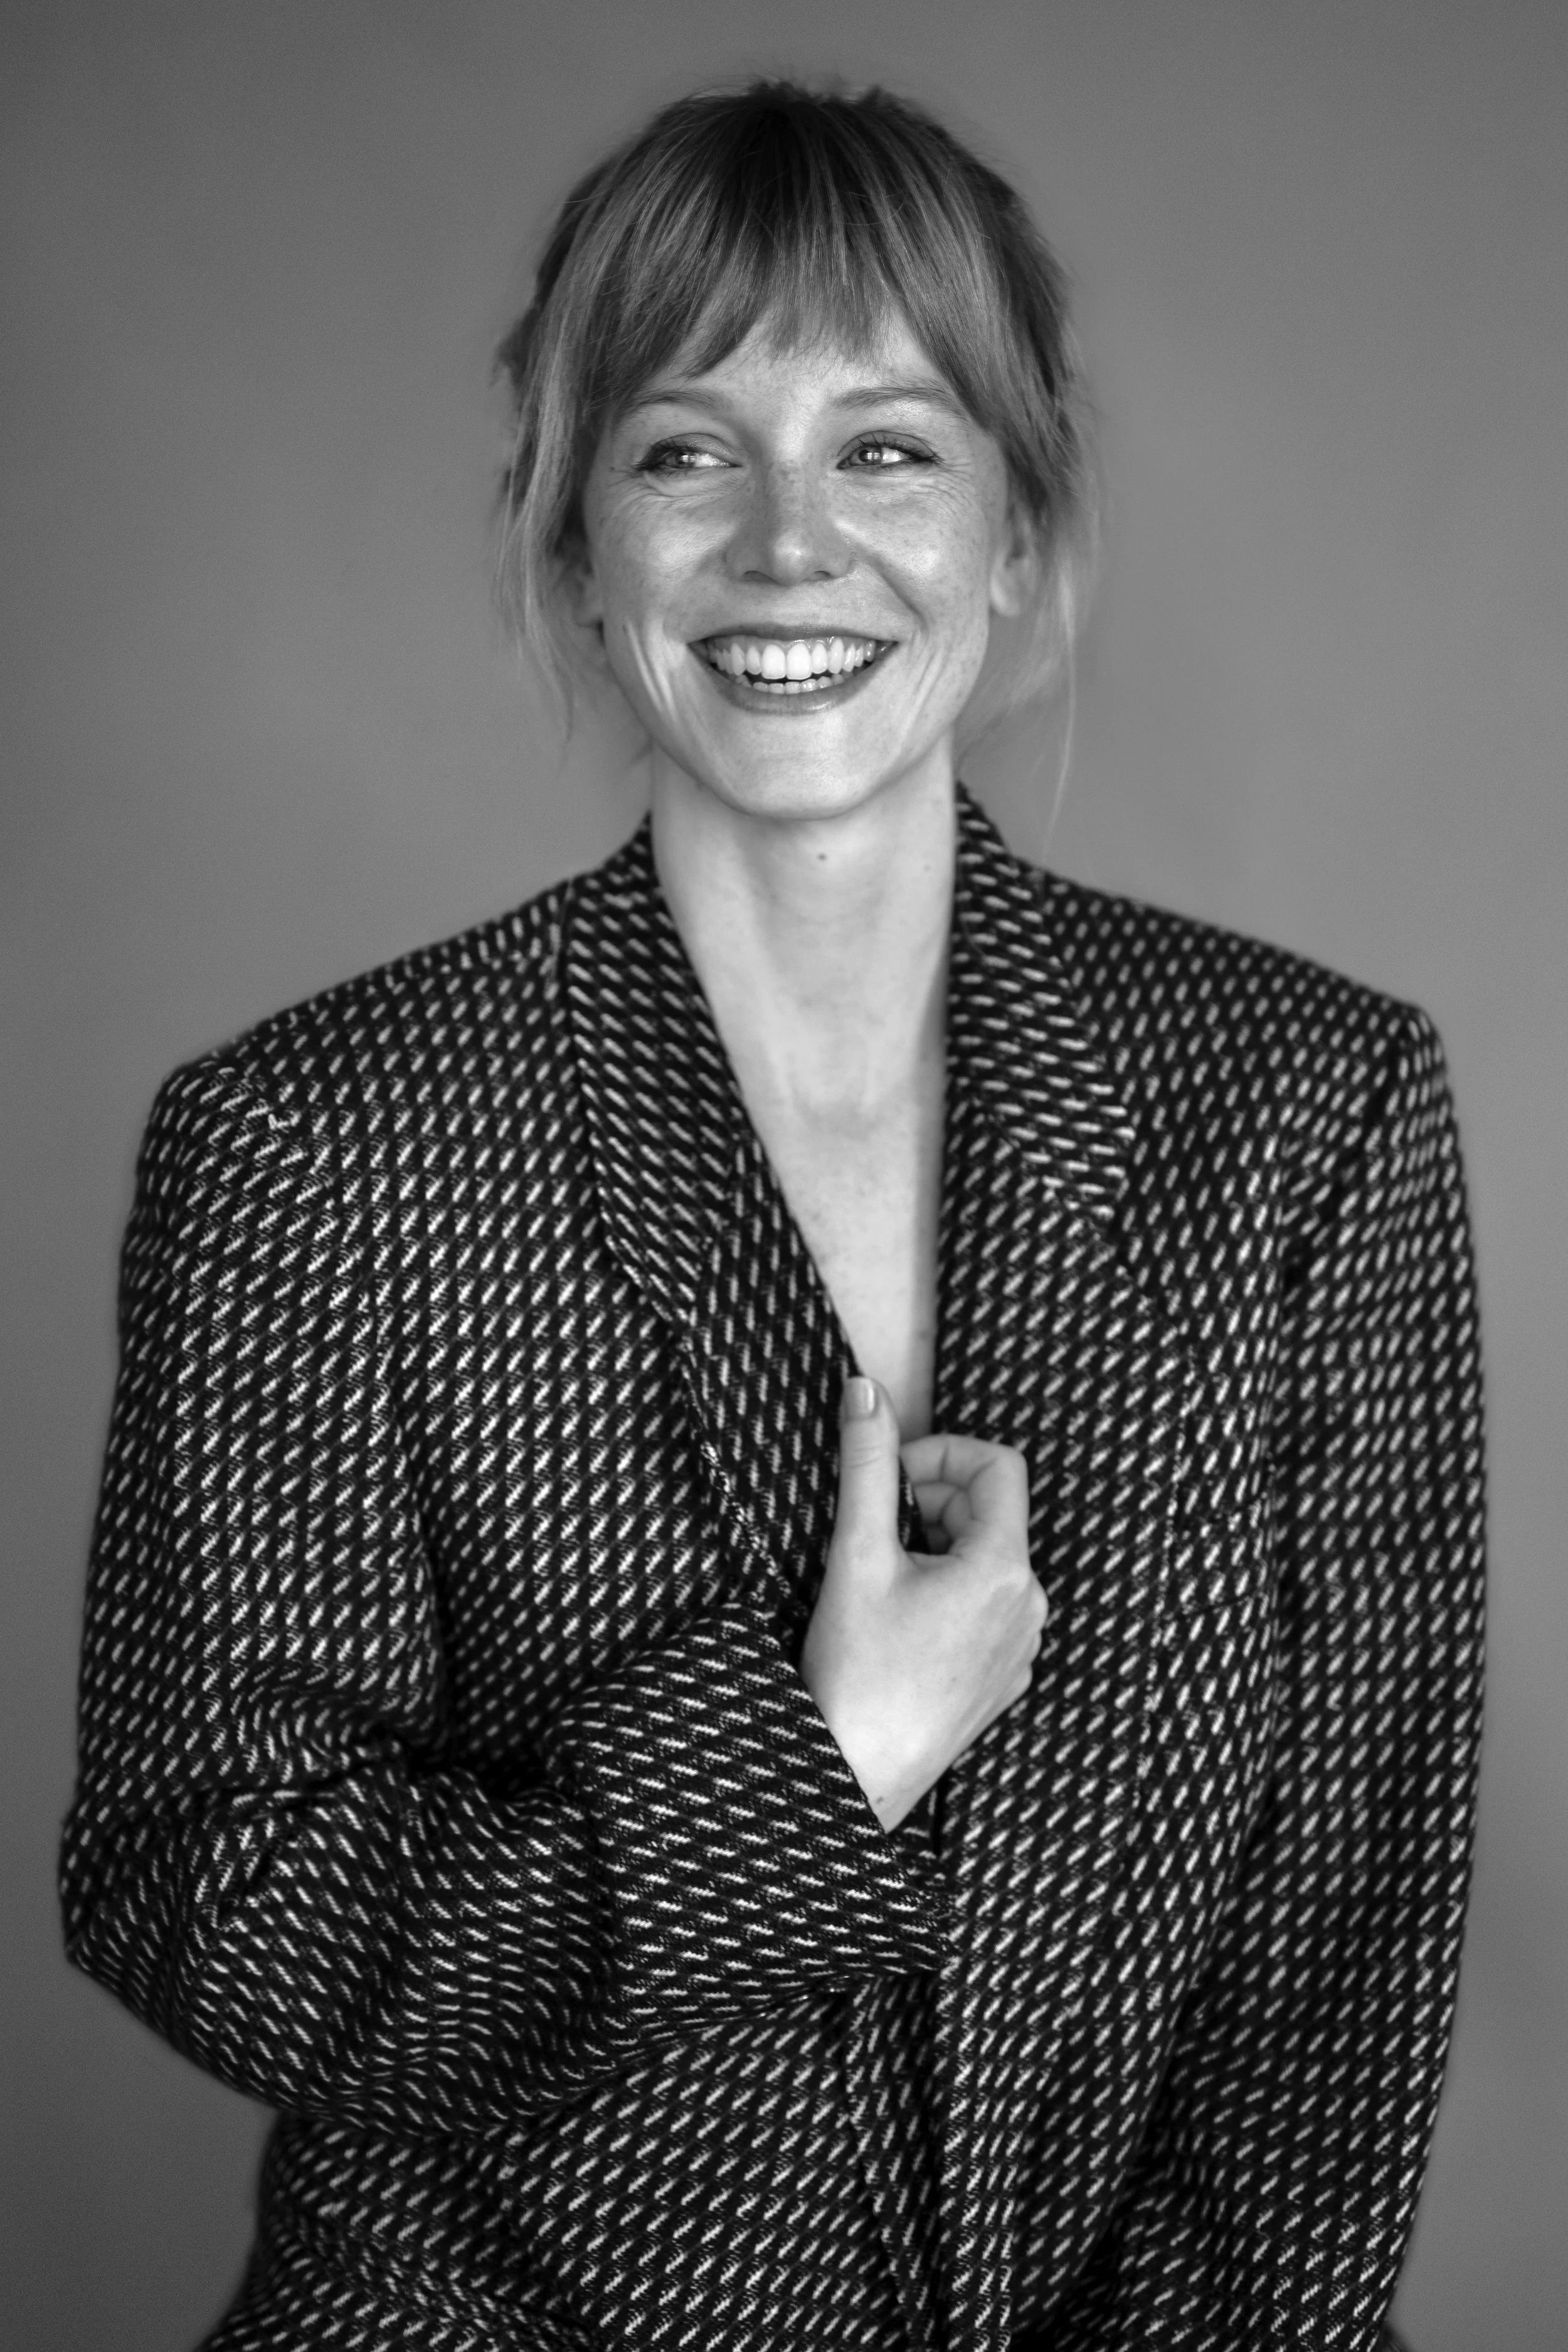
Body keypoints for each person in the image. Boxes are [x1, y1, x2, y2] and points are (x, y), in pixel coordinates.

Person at [60, 80, 1483, 2352]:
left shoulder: (1306, 1115)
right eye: (686, 447)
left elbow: (1339, 1946)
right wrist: (803, 1771)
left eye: (891, 447)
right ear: (574, 540)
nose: (789, 544)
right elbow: (195, 1881)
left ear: (1014, 530)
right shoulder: (314, 1141)